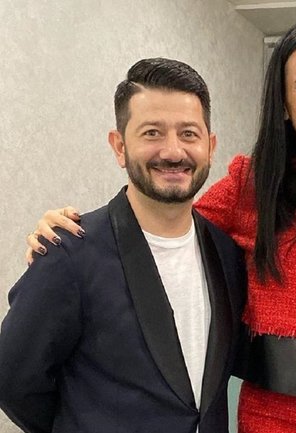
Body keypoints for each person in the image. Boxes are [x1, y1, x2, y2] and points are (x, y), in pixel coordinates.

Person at [21, 22, 296, 433]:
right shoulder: (250, 186)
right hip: (268, 421)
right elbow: (163, 227)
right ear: (283, 103)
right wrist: (75, 231)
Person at [0, 58, 247, 433]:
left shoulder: (227, 254)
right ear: (119, 146)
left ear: (210, 147)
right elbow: (12, 378)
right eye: (152, 133)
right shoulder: (70, 252)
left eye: (188, 134)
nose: (173, 151)